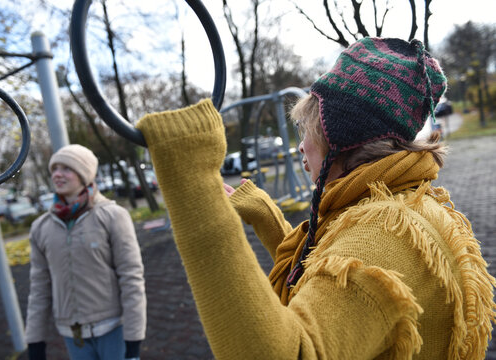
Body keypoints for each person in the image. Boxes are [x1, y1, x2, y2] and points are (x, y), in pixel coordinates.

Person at [135, 37, 496, 359]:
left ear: (341, 138)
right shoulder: (400, 203)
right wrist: (266, 216)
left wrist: (194, 187)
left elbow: (290, 351)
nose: (301, 147)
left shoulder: (384, 236)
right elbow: (327, 275)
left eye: (307, 131)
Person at [25, 144, 146, 360]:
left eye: (66, 169)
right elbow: (39, 288)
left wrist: (134, 341)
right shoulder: (41, 228)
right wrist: (35, 342)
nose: (57, 174)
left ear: (84, 175)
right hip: (73, 335)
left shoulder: (113, 216)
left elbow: (131, 278)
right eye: (54, 169)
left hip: (113, 329)